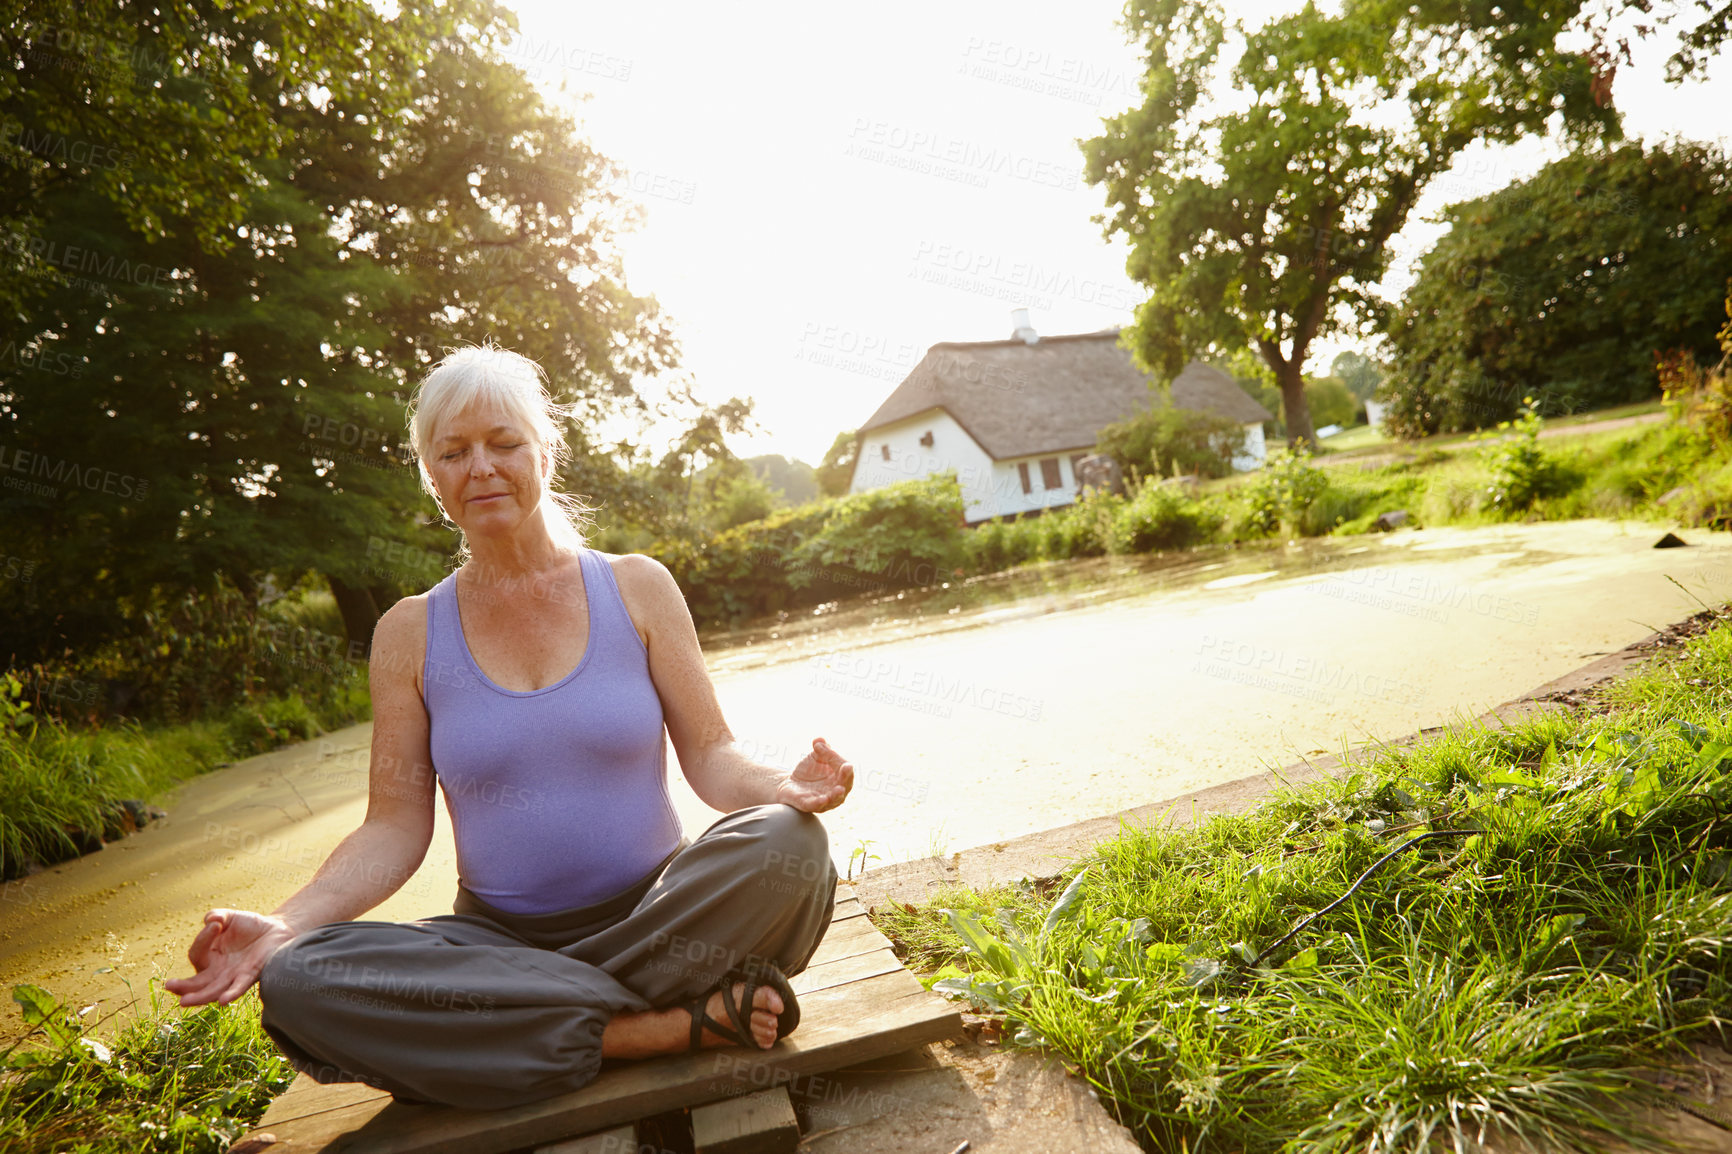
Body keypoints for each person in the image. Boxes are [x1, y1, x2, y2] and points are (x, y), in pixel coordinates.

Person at [164, 343, 852, 1110]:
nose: (480, 467)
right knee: (298, 979)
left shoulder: (638, 587)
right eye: (453, 452)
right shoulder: (408, 634)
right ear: (433, 478)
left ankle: (535, 1026)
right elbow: (394, 827)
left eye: (503, 443)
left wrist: (781, 785)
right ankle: (656, 1027)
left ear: (545, 452)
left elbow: (714, 756)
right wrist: (285, 924)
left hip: (660, 917)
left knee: (790, 845)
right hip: (498, 946)